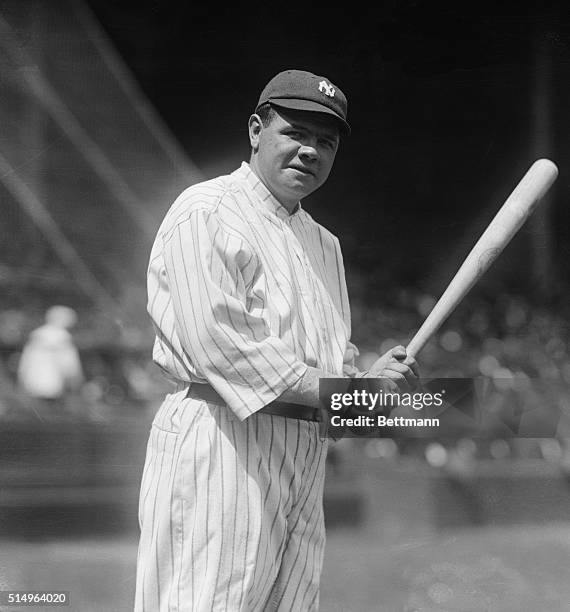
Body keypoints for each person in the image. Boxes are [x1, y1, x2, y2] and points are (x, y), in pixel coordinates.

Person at [135, 69, 418, 611]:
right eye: (297, 133)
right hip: (221, 444)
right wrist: (357, 392)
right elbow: (225, 351)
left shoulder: (324, 245)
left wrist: (374, 389)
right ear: (256, 130)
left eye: (326, 142)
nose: (311, 151)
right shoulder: (206, 210)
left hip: (302, 460)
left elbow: (334, 389)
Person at [17, 305, 84, 407]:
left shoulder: (36, 336)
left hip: (33, 385)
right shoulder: (64, 338)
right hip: (55, 387)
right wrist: (75, 380)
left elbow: (25, 362)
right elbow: (70, 365)